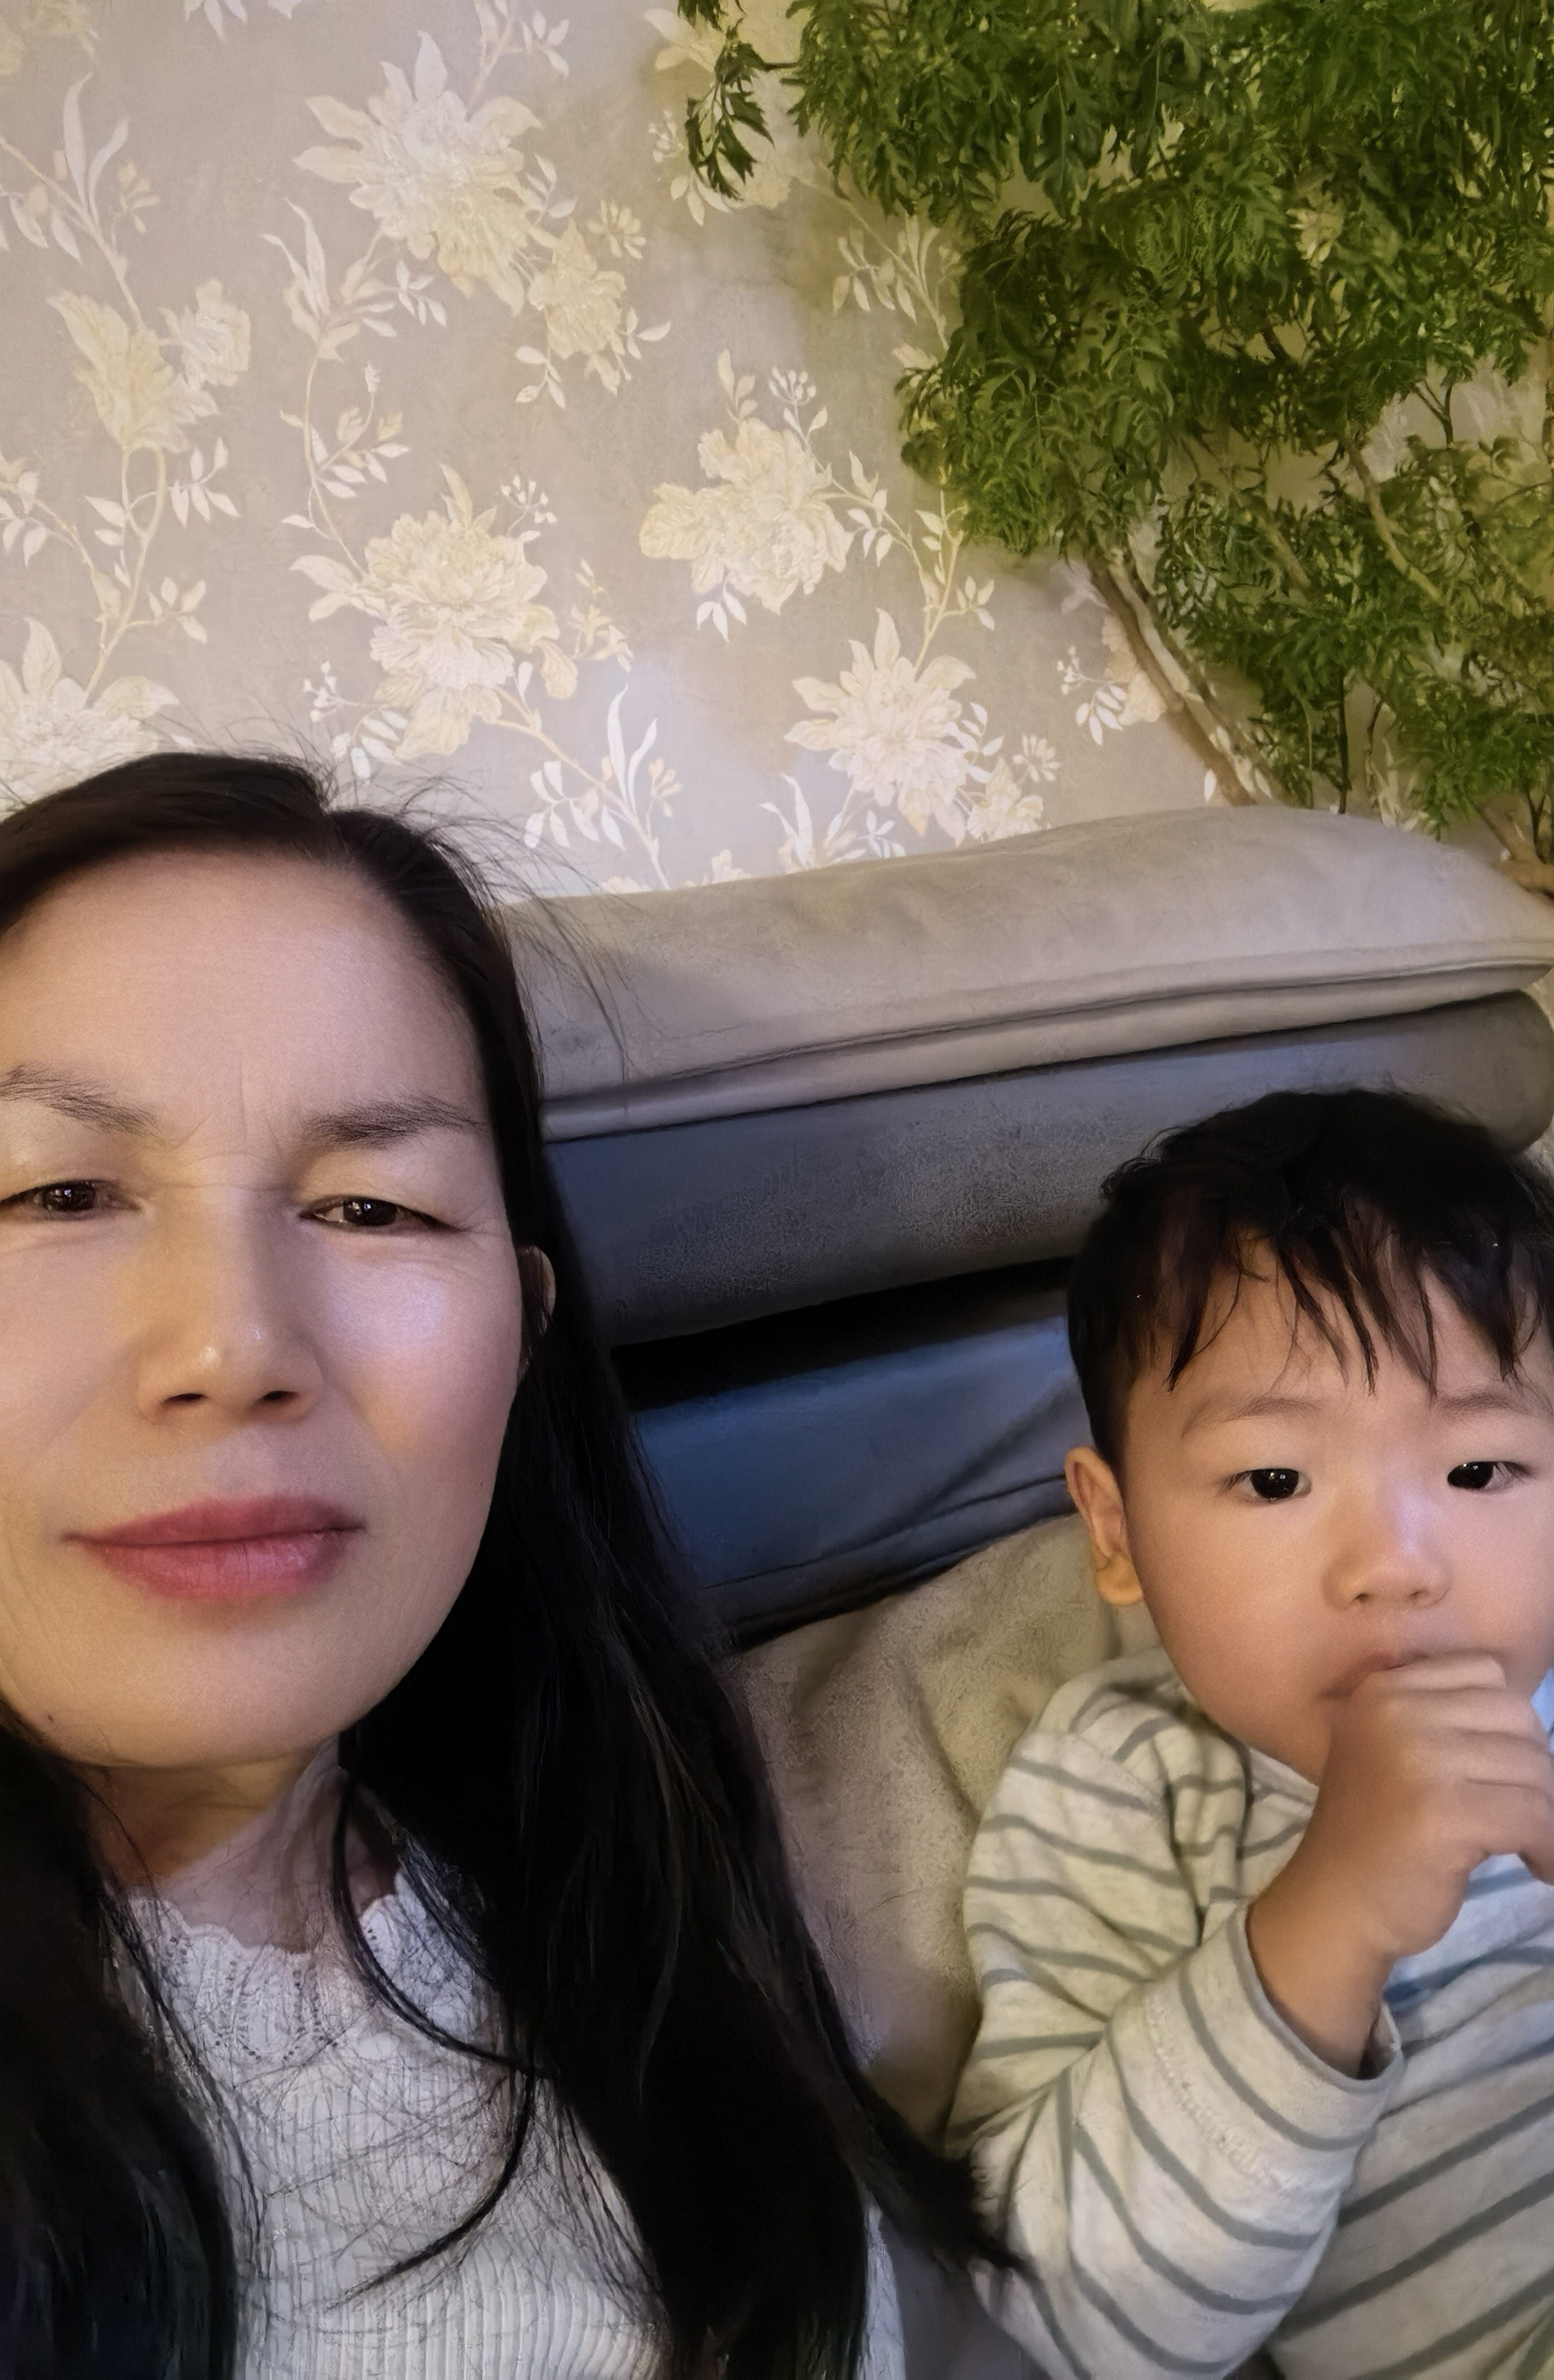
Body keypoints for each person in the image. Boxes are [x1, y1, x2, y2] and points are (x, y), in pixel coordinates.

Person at [0, 752, 998, 2380]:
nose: (234, 1345)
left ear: (525, 1333)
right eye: (57, 1191)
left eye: (372, 1209)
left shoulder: (647, 1950)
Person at [952, 1088, 1554, 2378]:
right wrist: (1328, 1920)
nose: (1395, 1565)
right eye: (1275, 1479)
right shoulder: (1123, 1789)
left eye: (1479, 1471)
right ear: (1115, 1532)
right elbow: (1070, 2308)